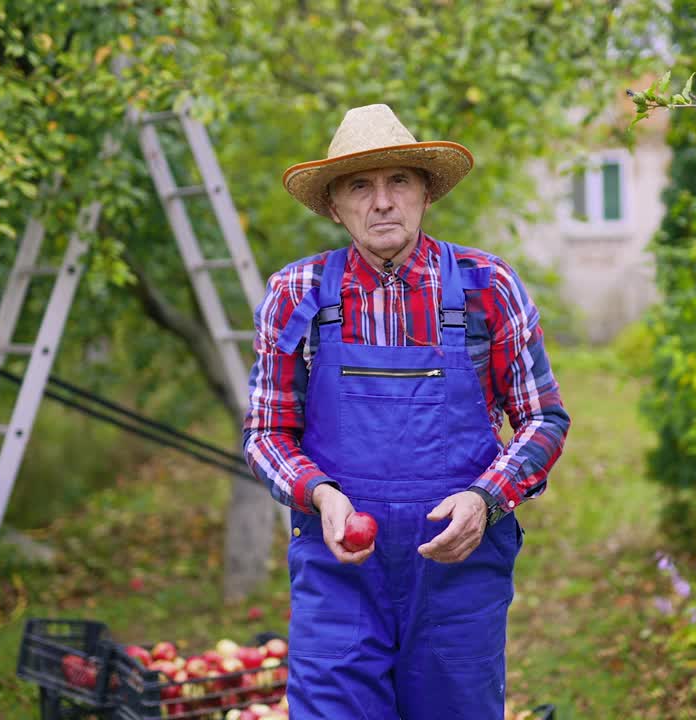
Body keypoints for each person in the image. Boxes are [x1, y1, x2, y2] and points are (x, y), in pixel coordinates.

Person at [243, 104, 570, 720]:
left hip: (458, 573)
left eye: (399, 181)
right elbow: (266, 433)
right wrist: (319, 494)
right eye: (360, 186)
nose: (382, 201)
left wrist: (486, 500)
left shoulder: (486, 287)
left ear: (424, 193)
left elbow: (543, 420)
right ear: (335, 206)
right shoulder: (297, 294)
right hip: (340, 571)